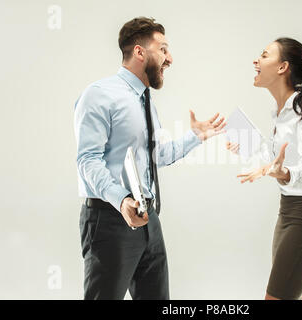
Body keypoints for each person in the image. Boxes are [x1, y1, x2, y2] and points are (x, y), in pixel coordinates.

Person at [74, 17, 226, 300]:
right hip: (109, 219)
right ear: (139, 52)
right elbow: (88, 160)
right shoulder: (99, 95)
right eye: (164, 49)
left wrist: (196, 136)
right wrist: (121, 200)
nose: (170, 58)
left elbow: (158, 156)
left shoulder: (144, 101)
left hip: (149, 219)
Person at [226, 37, 302, 300]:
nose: (256, 60)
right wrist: (247, 144)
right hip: (287, 214)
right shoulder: (283, 111)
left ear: (282, 67)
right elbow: (274, 156)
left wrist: (283, 173)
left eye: (264, 55)